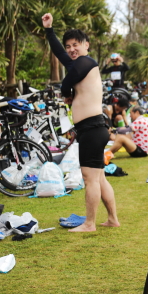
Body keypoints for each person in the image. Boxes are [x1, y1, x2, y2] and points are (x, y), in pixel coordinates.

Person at [42, 13, 119, 232]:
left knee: (90, 179)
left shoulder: (86, 62)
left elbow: (66, 82)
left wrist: (65, 93)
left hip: (92, 129)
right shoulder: (79, 64)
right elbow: (59, 53)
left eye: (76, 44)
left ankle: (89, 223)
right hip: (92, 128)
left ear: (86, 45)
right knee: (100, 178)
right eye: (68, 46)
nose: (71, 49)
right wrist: (49, 29)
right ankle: (112, 218)